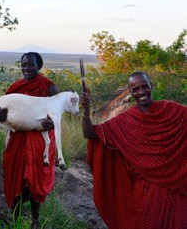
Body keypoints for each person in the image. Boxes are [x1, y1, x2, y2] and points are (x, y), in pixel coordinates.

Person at [80, 71, 187, 229]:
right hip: (145, 192)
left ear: (152, 86)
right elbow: (90, 133)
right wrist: (87, 108)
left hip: (175, 189)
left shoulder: (172, 111)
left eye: (145, 87)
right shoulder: (126, 120)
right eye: (135, 89)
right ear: (129, 93)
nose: (141, 92)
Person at [0, 52, 59, 228]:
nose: (26, 68)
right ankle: (14, 215)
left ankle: (35, 220)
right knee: (16, 174)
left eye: (30, 64)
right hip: (18, 138)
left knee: (34, 179)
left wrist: (51, 123)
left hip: (41, 140)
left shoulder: (49, 88)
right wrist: (1, 116)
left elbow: (58, 115)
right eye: (23, 64)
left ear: (39, 66)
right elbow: (3, 110)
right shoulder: (15, 88)